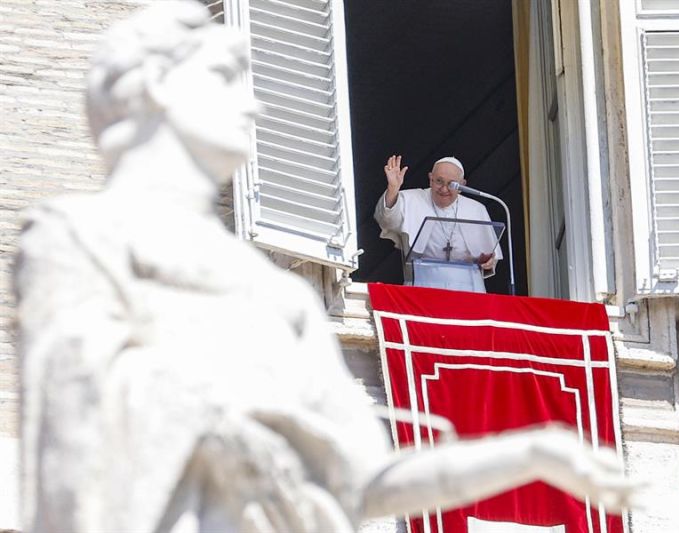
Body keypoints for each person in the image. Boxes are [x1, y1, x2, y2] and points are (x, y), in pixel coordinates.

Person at [14, 2, 638, 532]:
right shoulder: (79, 237)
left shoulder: (275, 292)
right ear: (156, 89)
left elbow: (366, 480)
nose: (254, 106)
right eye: (227, 78)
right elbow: (74, 458)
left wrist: (532, 452)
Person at [374, 155, 503, 292]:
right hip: (423, 286)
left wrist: (489, 260)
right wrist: (393, 189)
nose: (444, 189)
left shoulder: (476, 209)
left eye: (452, 184)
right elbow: (386, 219)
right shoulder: (411, 199)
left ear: (462, 185)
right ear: (430, 179)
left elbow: (490, 257)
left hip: (470, 289)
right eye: (439, 181)